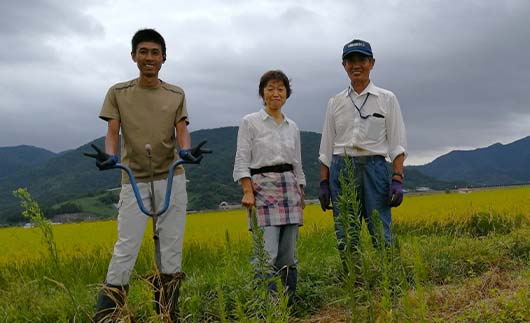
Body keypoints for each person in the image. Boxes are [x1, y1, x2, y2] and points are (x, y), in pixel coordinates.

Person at [90, 28, 200, 322]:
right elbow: (113, 131)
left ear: (163, 58)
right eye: (143, 52)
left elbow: (182, 130)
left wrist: (186, 152)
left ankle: (166, 314)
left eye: (155, 52)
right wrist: (111, 156)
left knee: (171, 248)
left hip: (171, 177)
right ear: (133, 56)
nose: (149, 57)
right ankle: (107, 315)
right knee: (126, 247)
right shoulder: (118, 92)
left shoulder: (176, 93)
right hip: (133, 178)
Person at [318, 39, 407, 263]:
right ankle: (354, 282)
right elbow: (327, 145)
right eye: (351, 61)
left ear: (372, 63)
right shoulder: (335, 102)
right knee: (346, 233)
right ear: (344, 66)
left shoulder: (387, 99)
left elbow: (397, 142)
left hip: (374, 168)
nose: (356, 65)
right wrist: (324, 183)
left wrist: (397, 178)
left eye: (362, 60)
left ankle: (390, 278)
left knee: (380, 228)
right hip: (342, 168)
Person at [233, 70, 306, 304]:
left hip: (290, 188)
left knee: (288, 255)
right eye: (270, 89)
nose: (276, 93)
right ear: (262, 94)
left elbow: (297, 162)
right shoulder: (250, 122)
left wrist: (301, 190)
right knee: (266, 254)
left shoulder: (292, 126)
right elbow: (242, 159)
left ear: (287, 94)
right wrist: (247, 190)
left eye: (280, 89)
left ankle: (289, 305)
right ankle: (269, 309)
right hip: (262, 188)